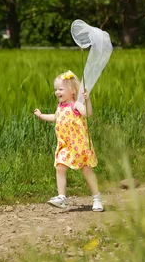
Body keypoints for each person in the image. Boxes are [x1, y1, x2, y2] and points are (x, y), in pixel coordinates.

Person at [34, 70, 104, 212]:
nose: (57, 92)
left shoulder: (76, 105)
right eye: (55, 89)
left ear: (72, 90)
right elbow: (55, 117)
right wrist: (41, 116)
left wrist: (87, 100)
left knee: (86, 170)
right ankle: (62, 197)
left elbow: (88, 113)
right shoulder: (60, 106)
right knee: (60, 166)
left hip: (79, 145)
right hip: (64, 144)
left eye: (60, 89)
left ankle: (96, 197)